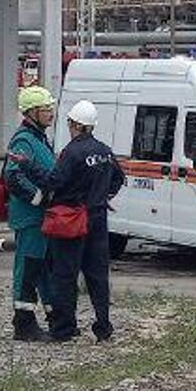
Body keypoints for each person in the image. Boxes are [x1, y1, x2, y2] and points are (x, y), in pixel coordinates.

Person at [41, 100, 124, 342]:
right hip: (98, 217)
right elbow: (119, 178)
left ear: (75, 124)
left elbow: (53, 182)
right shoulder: (105, 151)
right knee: (98, 275)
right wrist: (103, 195)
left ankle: (64, 328)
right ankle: (103, 327)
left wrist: (33, 170)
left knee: (65, 274)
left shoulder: (72, 152)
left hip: (73, 219)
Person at [2, 85, 58, 342]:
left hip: (41, 217)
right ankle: (23, 324)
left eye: (51, 108)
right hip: (30, 217)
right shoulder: (24, 140)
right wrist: (38, 198)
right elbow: (12, 175)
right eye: (46, 109)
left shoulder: (38, 138)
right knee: (27, 267)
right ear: (32, 112)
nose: (51, 113)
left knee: (43, 267)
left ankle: (55, 318)